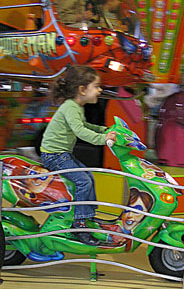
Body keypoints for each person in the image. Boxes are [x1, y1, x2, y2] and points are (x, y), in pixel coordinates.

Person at [40, 65, 116, 245]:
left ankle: (88, 215)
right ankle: (79, 225)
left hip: (62, 154)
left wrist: (106, 130)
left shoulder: (76, 107)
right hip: (54, 155)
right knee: (84, 181)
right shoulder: (70, 107)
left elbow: (86, 126)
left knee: (88, 175)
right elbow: (80, 131)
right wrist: (103, 139)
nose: (100, 90)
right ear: (82, 90)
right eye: (96, 86)